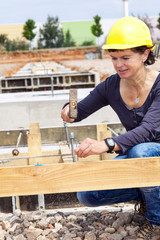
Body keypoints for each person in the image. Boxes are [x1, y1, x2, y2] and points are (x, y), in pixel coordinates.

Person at [61, 16, 160, 239]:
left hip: (150, 154)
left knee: (141, 151)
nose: (118, 64)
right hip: (139, 158)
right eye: (114, 58)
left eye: (125, 57)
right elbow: (79, 111)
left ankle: (156, 221)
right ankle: (149, 196)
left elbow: (149, 131)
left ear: (145, 54)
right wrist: (68, 109)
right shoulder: (111, 85)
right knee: (88, 194)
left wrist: (106, 145)